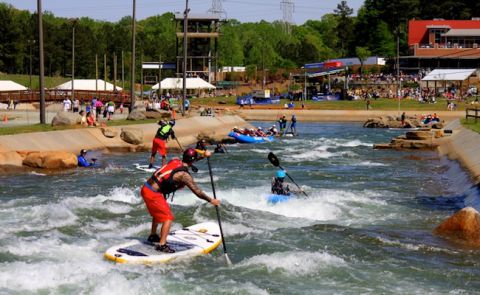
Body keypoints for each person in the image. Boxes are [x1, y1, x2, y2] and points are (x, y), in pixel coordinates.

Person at [141, 148, 221, 253]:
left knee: (158, 214)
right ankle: (162, 245)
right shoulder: (184, 175)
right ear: (192, 160)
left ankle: (153, 235)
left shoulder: (175, 161)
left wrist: (203, 156)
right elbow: (197, 191)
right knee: (168, 218)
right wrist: (211, 200)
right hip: (153, 194)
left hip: (146, 188)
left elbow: (189, 161)